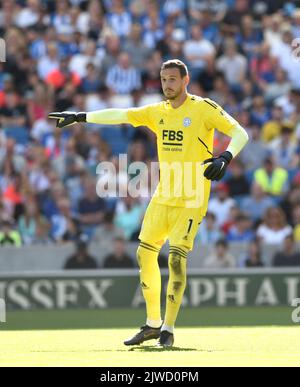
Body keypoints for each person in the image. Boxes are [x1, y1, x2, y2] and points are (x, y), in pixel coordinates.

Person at [48, 59, 248, 348]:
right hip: (163, 196)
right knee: (145, 255)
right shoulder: (157, 112)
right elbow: (122, 114)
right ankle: (152, 324)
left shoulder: (203, 108)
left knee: (176, 259)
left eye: (172, 79)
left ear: (185, 80)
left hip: (192, 198)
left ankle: (169, 327)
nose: (167, 85)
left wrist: (225, 158)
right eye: (163, 79)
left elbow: (241, 132)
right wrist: (81, 116)